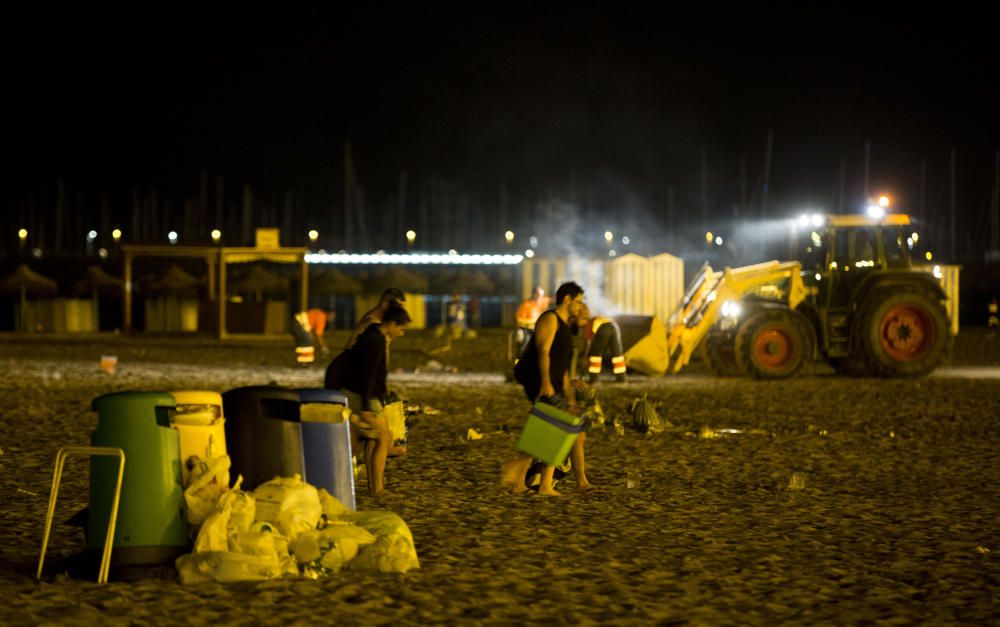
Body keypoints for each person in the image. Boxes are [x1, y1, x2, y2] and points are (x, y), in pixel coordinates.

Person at [501, 281, 597, 496]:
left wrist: (570, 395)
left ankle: (529, 480)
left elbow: (561, 367)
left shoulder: (564, 326)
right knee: (552, 429)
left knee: (563, 430)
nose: (580, 306)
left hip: (553, 382)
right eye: (578, 301)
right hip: (539, 380)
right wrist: (545, 382)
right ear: (567, 299)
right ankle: (531, 479)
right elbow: (543, 351)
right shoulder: (550, 319)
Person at [325, 302, 411, 496]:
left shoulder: (370, 334)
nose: (401, 333)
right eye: (402, 328)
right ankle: (377, 488)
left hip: (356, 393)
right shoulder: (377, 342)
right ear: (392, 323)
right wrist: (366, 404)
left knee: (366, 440)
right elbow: (369, 375)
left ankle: (367, 485)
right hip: (365, 396)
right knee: (384, 438)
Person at [577, 304, 627, 384]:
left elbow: (588, 342)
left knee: (595, 355)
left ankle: (593, 379)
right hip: (615, 327)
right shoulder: (598, 317)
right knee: (617, 355)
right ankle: (621, 379)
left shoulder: (589, 323)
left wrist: (586, 355)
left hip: (603, 329)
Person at [514, 286, 550, 353]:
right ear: (534, 294)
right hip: (526, 330)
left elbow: (550, 300)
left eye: (542, 296)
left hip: (537, 329)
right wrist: (532, 322)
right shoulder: (526, 305)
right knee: (526, 341)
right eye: (539, 295)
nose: (541, 298)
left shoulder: (540, 304)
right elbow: (519, 320)